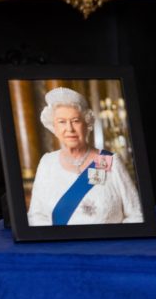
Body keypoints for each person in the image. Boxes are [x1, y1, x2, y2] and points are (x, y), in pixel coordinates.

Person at [27, 87, 143, 226]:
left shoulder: (109, 161)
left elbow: (137, 215)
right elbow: (36, 215)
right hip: (62, 246)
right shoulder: (47, 163)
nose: (69, 129)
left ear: (87, 124)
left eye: (75, 121)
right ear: (54, 127)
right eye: (62, 122)